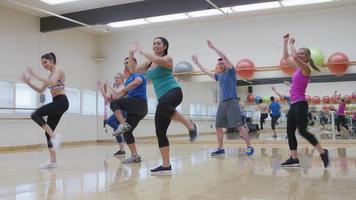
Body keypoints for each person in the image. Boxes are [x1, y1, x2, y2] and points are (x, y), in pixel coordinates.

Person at [129, 37, 197, 174]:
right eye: (153, 43)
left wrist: (142, 51)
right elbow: (132, 70)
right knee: (160, 131)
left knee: (161, 106)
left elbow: (158, 60)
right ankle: (166, 165)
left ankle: (190, 125)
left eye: (158, 43)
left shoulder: (168, 59)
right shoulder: (149, 63)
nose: (155, 45)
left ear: (165, 46)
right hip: (163, 99)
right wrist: (131, 54)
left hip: (174, 91)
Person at [192, 40, 254, 157]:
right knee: (218, 126)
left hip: (232, 101)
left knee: (239, 126)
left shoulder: (231, 71)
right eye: (219, 64)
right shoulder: (219, 76)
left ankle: (249, 146)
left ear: (226, 63)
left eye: (222, 63)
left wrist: (213, 47)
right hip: (222, 103)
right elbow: (206, 72)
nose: (221, 65)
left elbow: (224, 56)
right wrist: (197, 63)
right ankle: (220, 149)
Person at [280, 34, 329, 168]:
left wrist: (291, 43)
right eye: (299, 53)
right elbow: (286, 57)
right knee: (290, 132)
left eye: (302, 53)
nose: (300, 55)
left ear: (307, 57)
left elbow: (294, 57)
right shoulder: (298, 69)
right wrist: (285, 43)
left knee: (302, 131)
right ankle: (294, 158)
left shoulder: (306, 69)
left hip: (301, 104)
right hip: (293, 105)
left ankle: (323, 152)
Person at [21, 52, 69, 169]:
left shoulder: (58, 70)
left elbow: (53, 83)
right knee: (47, 131)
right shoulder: (49, 76)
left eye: (45, 62)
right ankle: (53, 161)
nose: (43, 65)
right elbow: (40, 90)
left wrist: (35, 75)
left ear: (52, 60)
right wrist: (29, 83)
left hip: (61, 101)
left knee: (35, 114)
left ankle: (54, 136)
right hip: (57, 102)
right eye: (42, 63)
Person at [107, 57, 148, 164]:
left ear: (134, 63)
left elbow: (138, 81)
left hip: (139, 103)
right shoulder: (128, 79)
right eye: (124, 63)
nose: (125, 65)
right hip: (138, 110)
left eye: (128, 63)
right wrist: (112, 98)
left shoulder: (137, 74)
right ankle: (135, 156)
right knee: (127, 132)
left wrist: (122, 92)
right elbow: (122, 94)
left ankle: (123, 124)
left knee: (114, 104)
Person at [98, 72, 127, 156]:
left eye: (117, 78)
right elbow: (107, 98)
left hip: (123, 111)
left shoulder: (123, 87)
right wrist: (101, 89)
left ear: (121, 79)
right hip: (118, 112)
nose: (116, 79)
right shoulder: (115, 89)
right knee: (116, 130)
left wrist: (109, 85)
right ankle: (122, 150)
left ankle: (124, 130)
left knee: (110, 121)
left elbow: (118, 92)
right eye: (115, 78)